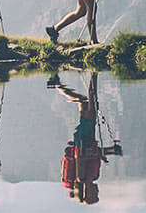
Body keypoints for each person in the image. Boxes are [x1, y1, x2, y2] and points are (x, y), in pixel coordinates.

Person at [49, 70, 120, 205]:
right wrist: (109, 151)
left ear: (88, 192)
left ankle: (94, 73)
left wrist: (104, 152)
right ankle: (58, 85)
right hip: (88, 139)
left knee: (91, 103)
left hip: (83, 140)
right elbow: (94, 155)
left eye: (95, 194)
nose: (97, 191)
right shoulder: (93, 177)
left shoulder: (81, 177)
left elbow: (80, 157)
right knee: (85, 102)